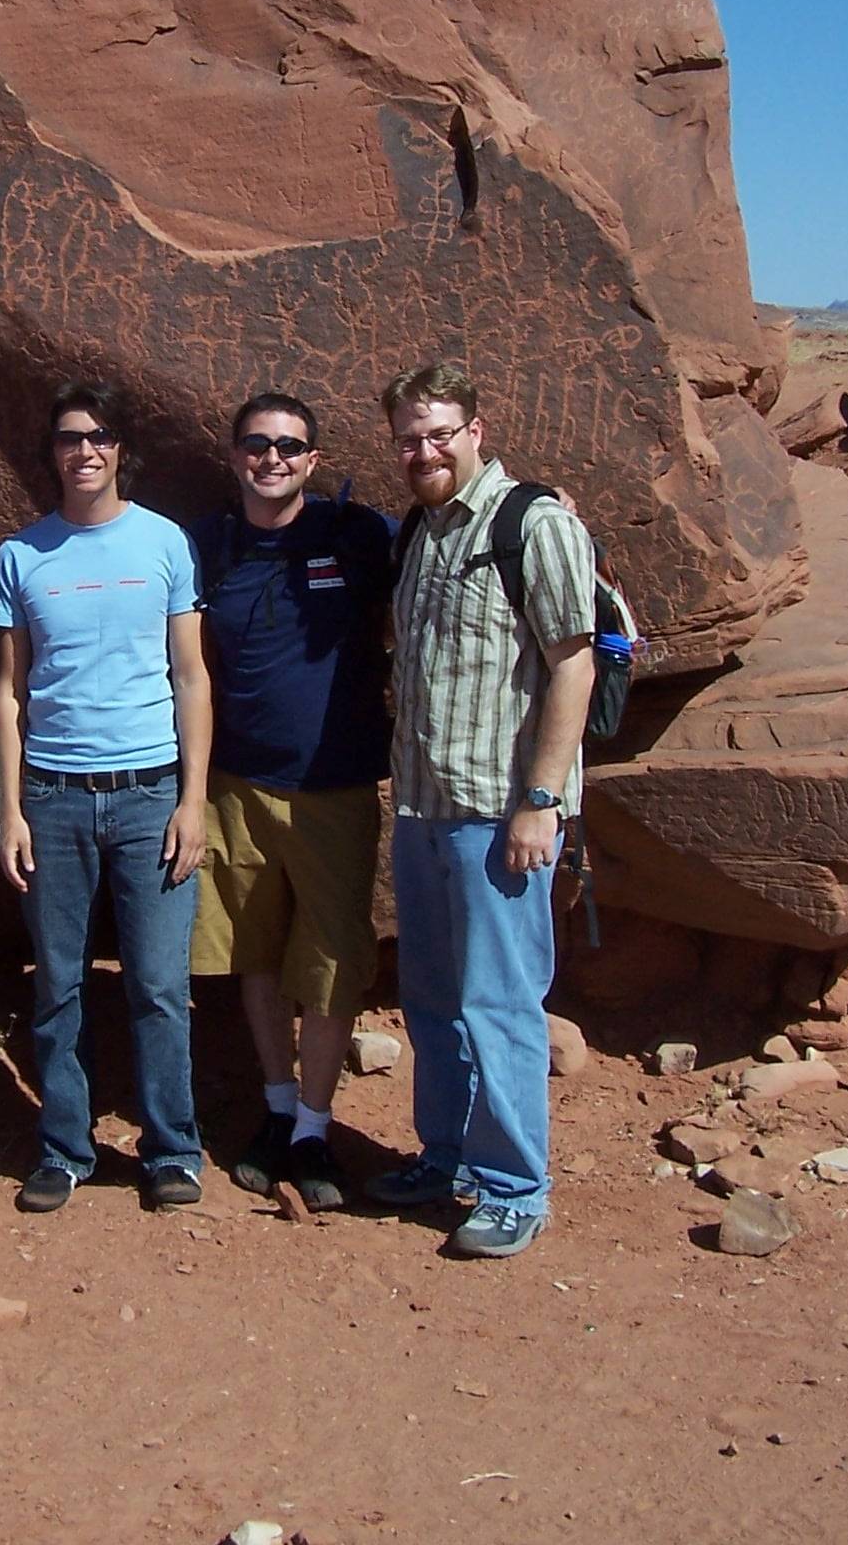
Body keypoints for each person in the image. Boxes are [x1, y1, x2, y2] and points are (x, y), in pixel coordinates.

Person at [368, 363, 596, 1259]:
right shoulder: (422, 532)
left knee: (500, 1001)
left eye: (438, 433)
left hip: (500, 817)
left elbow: (571, 665)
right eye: (407, 439)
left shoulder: (531, 524)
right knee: (430, 996)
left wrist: (540, 802)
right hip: (425, 807)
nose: (422, 451)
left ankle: (513, 1188)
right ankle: (449, 1155)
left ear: (475, 428)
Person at [0, 381, 212, 1213]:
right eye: (68, 439)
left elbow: (191, 676)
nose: (84, 451)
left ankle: (170, 1150)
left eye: (99, 437)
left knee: (157, 983)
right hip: (52, 794)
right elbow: (8, 695)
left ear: (121, 449)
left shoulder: (164, 544)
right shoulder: (22, 556)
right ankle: (64, 1145)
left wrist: (193, 799)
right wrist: (10, 807)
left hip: (151, 792)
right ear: (51, 453)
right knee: (58, 983)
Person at [190, 392, 393, 1213]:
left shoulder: (359, 535)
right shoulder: (209, 544)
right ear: (235, 455)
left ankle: (316, 1126)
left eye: (289, 447)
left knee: (334, 962)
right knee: (257, 956)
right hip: (235, 786)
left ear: (313, 459)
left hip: (334, 787)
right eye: (257, 445)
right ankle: (278, 1112)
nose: (272, 459)